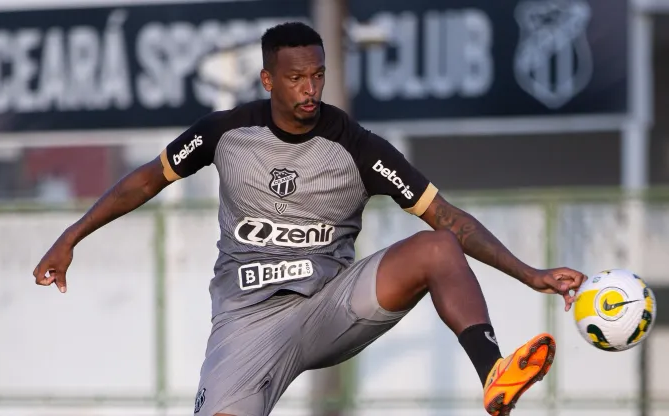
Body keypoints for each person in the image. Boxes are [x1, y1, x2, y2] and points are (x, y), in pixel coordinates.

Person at [33, 22, 587, 416]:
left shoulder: (356, 146)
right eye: (297, 77)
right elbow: (145, 179)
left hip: (330, 305)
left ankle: (492, 372)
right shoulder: (226, 133)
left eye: (319, 75)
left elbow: (450, 218)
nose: (310, 89)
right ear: (268, 80)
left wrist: (529, 273)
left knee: (438, 245)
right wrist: (71, 235)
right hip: (245, 320)